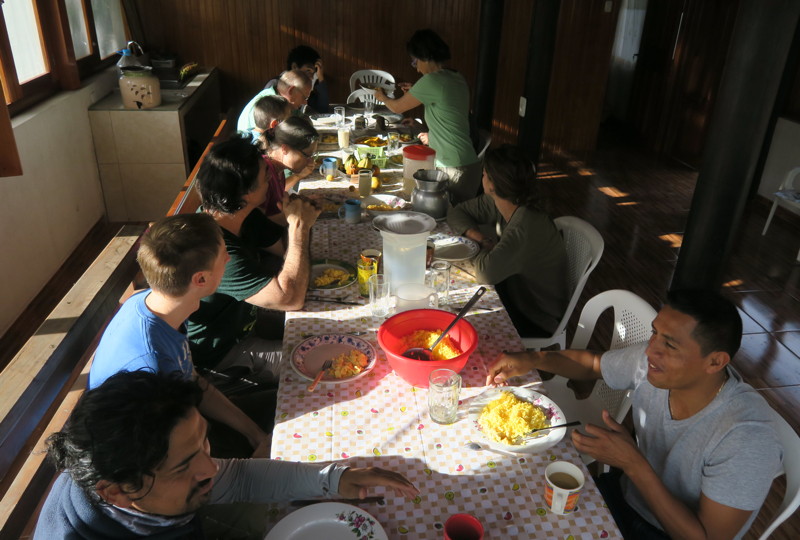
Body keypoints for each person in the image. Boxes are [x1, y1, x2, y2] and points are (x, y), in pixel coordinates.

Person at [486, 289, 783, 540]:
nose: (652, 350)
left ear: (715, 362)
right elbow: (592, 364)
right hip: (625, 497)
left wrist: (632, 463)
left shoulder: (748, 435)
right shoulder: (653, 362)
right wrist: (533, 358)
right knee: (514, 512)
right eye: (655, 333)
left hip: (666, 532)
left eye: (670, 344)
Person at [34, 371, 419, 538]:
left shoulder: (141, 491)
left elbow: (241, 477)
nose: (210, 468)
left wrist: (333, 478)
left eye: (204, 440)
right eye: (185, 465)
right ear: (116, 492)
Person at [88, 214, 273, 458]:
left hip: (187, 417)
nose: (229, 258)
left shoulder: (156, 304)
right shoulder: (151, 365)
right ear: (201, 279)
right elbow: (169, 461)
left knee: (288, 401)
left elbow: (193, 381)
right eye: (223, 255)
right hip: (162, 453)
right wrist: (255, 462)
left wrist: (255, 434)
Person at [188, 134, 321, 383]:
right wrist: (299, 226)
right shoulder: (213, 248)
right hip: (219, 358)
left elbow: (286, 253)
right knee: (319, 363)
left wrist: (293, 215)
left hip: (249, 327)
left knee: (328, 336)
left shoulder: (242, 216)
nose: (272, 177)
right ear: (246, 193)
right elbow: (290, 299)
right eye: (265, 177)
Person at [447, 145, 568, 337]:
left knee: (456, 323)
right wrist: (479, 238)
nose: (482, 178)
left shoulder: (526, 225)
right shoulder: (502, 200)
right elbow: (456, 212)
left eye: (484, 173)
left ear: (493, 184)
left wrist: (481, 249)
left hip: (534, 315)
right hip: (511, 289)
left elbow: (486, 273)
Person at [374, 29, 480, 204]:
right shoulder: (456, 76)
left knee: (448, 224)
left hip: (452, 167)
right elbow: (447, 107)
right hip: (468, 164)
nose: (416, 68)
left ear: (424, 56)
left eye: (415, 61)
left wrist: (381, 96)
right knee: (456, 221)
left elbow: (396, 107)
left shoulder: (431, 81)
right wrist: (417, 91)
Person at [259, 116, 319, 218]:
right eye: (306, 155)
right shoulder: (263, 173)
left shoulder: (278, 167)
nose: (311, 161)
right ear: (285, 149)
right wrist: (294, 213)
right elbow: (258, 224)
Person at [237, 69, 312, 132]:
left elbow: (301, 118)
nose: (305, 102)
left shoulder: (283, 100)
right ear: (291, 91)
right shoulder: (268, 105)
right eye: (304, 97)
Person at [285, 45, 329, 114]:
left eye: (314, 73)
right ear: (294, 67)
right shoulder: (278, 86)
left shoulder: (306, 87)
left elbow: (323, 109)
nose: (311, 77)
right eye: (308, 70)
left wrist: (320, 77)